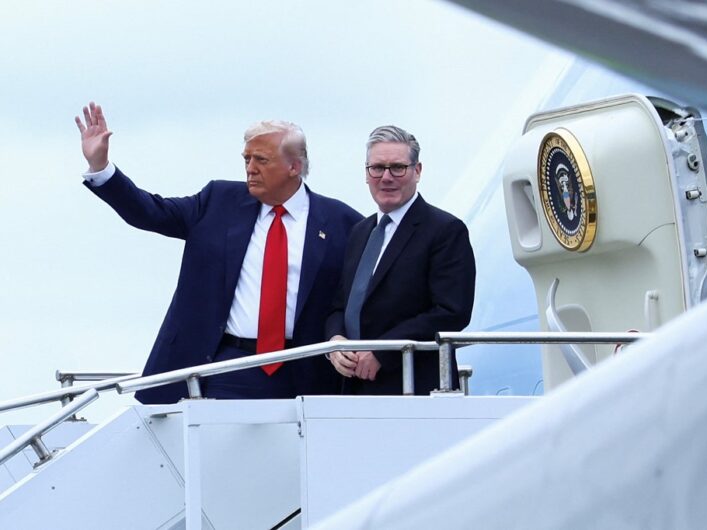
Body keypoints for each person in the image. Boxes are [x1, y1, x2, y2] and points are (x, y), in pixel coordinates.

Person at [75, 102, 362, 403]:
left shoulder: (343, 223)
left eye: (261, 160)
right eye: (247, 158)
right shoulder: (218, 202)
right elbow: (150, 212)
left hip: (305, 373)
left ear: (294, 166)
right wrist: (101, 168)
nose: (250, 168)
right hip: (225, 368)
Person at [325, 125, 476, 395]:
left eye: (397, 168)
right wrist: (335, 342)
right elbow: (340, 306)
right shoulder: (360, 232)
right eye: (377, 168)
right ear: (366, 173)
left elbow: (452, 311)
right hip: (354, 387)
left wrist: (385, 352)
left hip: (415, 387)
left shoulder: (445, 230)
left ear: (417, 171)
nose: (386, 177)